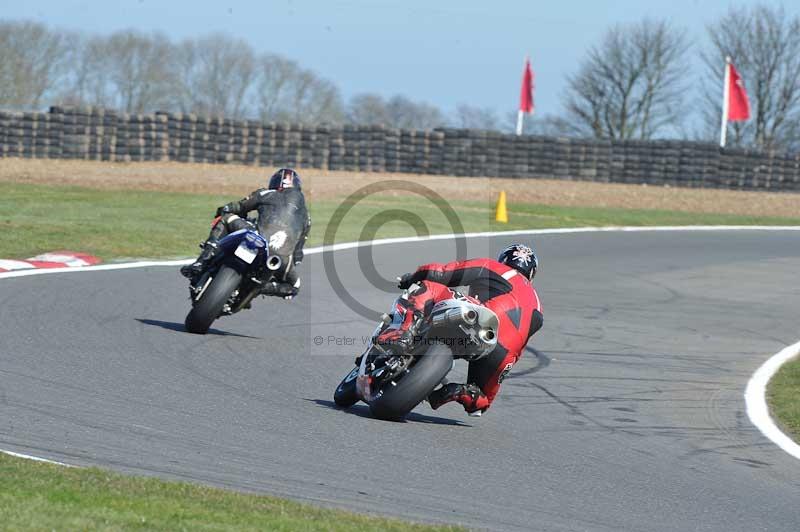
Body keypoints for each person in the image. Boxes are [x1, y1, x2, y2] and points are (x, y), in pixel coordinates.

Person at [377, 243, 543, 416]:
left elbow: (442, 272)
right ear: (532, 274)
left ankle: (402, 334)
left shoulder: (497, 268)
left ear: (504, 259)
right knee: (482, 401)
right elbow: (521, 342)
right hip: (504, 351)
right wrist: (504, 364)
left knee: (427, 286)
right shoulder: (538, 307)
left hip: (481, 315)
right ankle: (461, 392)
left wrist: (412, 277)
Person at [180, 168, 311, 298]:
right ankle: (259, 288)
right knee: (294, 286)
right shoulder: (306, 217)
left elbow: (238, 207)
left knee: (226, 219)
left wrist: (222, 211)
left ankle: (202, 262)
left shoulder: (266, 194)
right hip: (281, 259)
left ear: (274, 183)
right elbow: (297, 255)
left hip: (258, 237)